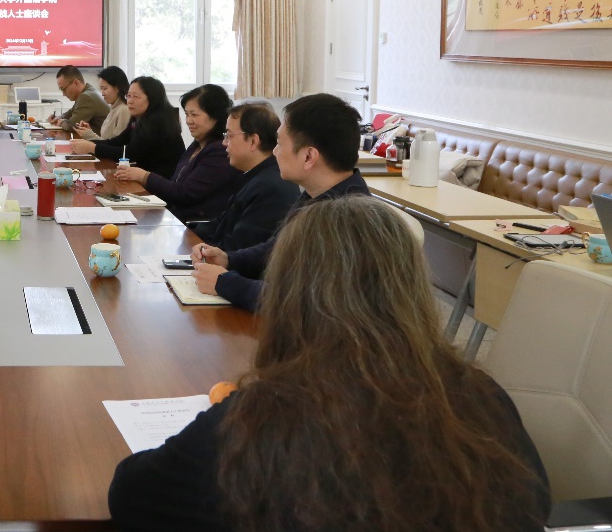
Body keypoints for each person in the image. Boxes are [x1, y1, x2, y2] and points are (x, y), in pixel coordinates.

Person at [108, 196, 550, 532]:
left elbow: (131, 495)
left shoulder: (253, 420)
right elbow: (534, 503)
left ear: (288, 293)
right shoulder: (483, 397)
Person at [191, 93, 370, 312]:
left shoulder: (347, 217)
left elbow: (306, 302)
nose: (274, 152)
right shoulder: (318, 194)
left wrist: (224, 283)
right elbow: (278, 247)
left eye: (279, 144)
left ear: (308, 156)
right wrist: (228, 260)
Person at [115, 84, 242, 223]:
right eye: (187, 114)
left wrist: (143, 176)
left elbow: (184, 194)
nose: (188, 121)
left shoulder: (219, 151)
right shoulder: (198, 144)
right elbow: (175, 182)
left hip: (192, 224)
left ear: (215, 116)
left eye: (194, 115)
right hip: (174, 216)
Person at [191, 102, 301, 252]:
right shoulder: (255, 176)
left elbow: (238, 248)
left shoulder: (268, 187)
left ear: (253, 141)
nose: (224, 143)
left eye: (229, 136)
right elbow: (219, 225)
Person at [69, 76, 184, 179]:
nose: (130, 101)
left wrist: (92, 148)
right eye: (128, 96)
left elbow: (129, 153)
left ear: (152, 99)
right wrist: (89, 143)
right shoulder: (138, 118)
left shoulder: (157, 122)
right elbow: (118, 142)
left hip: (163, 182)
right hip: (146, 177)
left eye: (135, 96)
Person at [72, 66, 132, 141]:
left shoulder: (123, 111)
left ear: (117, 88)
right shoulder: (114, 108)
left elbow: (116, 146)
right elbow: (106, 141)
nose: (102, 93)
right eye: (101, 89)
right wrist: (90, 132)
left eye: (105, 88)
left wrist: (89, 135)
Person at [47, 65, 110, 134]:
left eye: (64, 89)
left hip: (101, 140)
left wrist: (60, 122)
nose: (63, 94)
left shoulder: (87, 97)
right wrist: (58, 118)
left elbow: (72, 126)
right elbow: (70, 113)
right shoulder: (87, 92)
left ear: (76, 83)